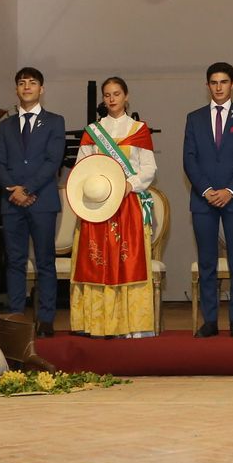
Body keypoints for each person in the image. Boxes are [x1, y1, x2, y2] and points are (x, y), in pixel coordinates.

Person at [71, 76, 158, 338]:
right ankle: (98, 324)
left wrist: (130, 185)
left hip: (127, 205)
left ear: (126, 96)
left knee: (127, 262)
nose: (112, 99)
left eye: (116, 94)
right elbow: (81, 169)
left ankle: (130, 325)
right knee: (97, 261)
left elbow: (149, 168)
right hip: (97, 207)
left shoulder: (138, 130)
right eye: (107, 95)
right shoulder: (93, 132)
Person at [182, 62, 233, 338]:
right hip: (203, 200)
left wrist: (230, 191)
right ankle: (210, 321)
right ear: (207, 86)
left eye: (223, 82)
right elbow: (189, 159)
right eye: (213, 82)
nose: (218, 87)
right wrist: (206, 190)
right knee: (207, 263)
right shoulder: (195, 117)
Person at [0, 67, 67, 338]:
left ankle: (45, 319)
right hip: (12, 202)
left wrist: (29, 188)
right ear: (16, 89)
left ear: (41, 89)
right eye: (21, 83)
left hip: (42, 200)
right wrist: (14, 189)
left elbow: (52, 160)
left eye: (32, 83)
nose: (26, 87)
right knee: (15, 261)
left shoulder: (55, 122)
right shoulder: (6, 126)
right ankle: (16, 317)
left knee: (45, 261)